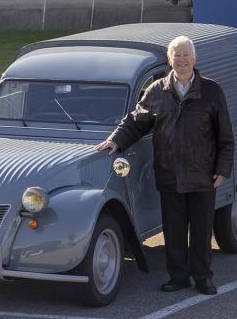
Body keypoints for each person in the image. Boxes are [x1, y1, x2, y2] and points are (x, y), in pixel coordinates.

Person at [96, 36, 233, 295]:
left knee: (202, 232)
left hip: (203, 175)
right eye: (176, 55)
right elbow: (136, 120)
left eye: (185, 55)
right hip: (169, 174)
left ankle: (203, 279)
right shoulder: (157, 90)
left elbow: (225, 136)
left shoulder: (212, 91)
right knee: (174, 231)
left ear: (194, 59)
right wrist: (116, 140)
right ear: (169, 60)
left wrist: (222, 168)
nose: (181, 60)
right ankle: (179, 277)